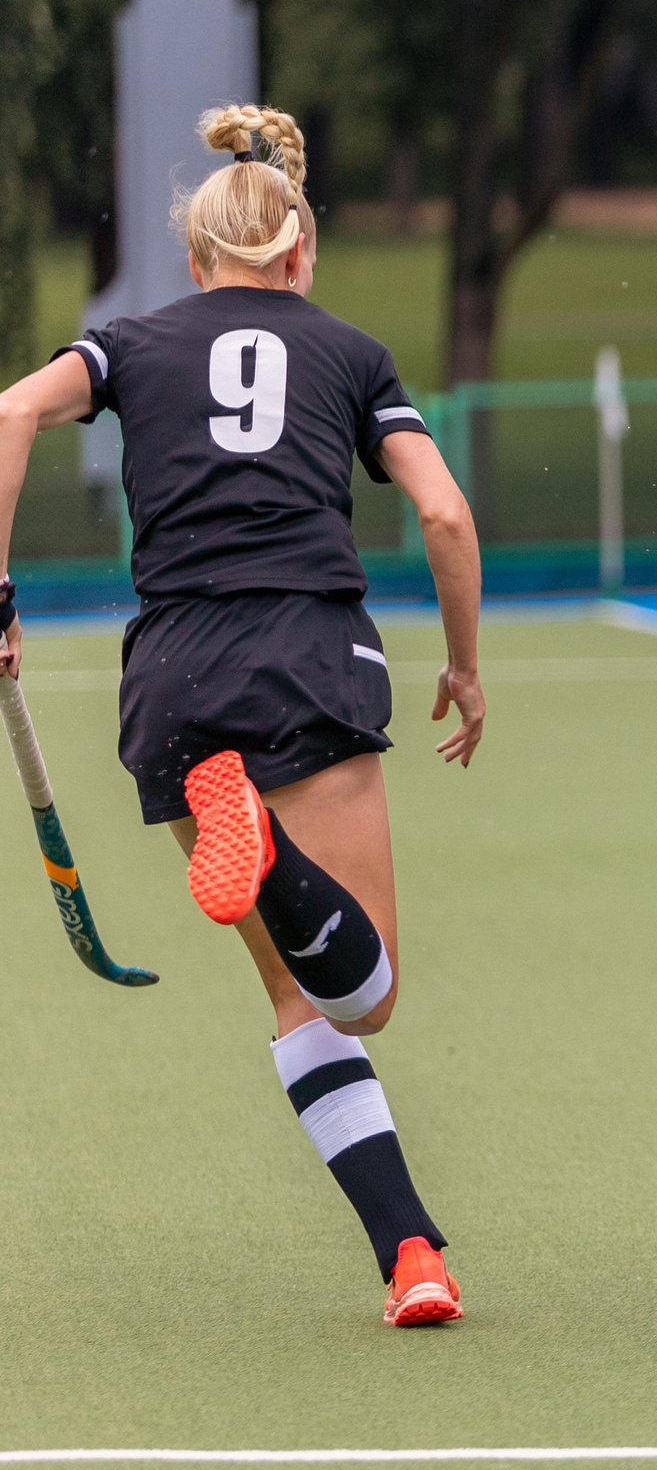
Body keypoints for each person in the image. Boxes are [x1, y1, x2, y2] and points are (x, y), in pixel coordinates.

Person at [0, 105, 486, 1326]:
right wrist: (467, 669)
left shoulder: (129, 344)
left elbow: (8, 411)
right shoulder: (352, 353)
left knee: (293, 1004)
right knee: (362, 997)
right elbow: (443, 517)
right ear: (302, 253)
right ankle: (265, 856)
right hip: (308, 654)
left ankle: (412, 1254)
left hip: (170, 678)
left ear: (197, 256)